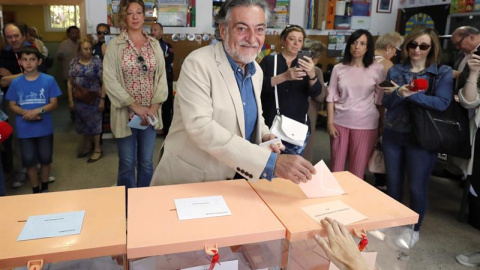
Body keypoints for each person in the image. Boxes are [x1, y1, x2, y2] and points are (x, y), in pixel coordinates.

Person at [150, 0, 316, 186]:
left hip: (237, 175)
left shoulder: (256, 71)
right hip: (193, 177)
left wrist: (265, 134)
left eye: (259, 29)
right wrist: (271, 162)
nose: (253, 39)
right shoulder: (198, 63)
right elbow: (201, 127)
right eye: (242, 28)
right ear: (223, 30)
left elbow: (255, 114)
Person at [382, 27, 453, 248]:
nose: (417, 49)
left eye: (423, 46)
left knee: (416, 186)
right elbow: (387, 103)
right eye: (413, 44)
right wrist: (398, 94)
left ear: (432, 48)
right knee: (392, 185)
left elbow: (441, 103)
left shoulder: (441, 72)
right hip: (394, 132)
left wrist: (408, 94)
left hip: (423, 137)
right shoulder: (395, 71)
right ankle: (393, 222)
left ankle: (414, 229)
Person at [103, 0, 168, 190]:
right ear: (124, 16)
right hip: (126, 113)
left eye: (139, 12)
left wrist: (153, 107)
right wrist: (134, 105)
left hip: (149, 114)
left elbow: (162, 77)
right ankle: (128, 199)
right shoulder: (115, 46)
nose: (135, 17)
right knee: (127, 162)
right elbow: (110, 80)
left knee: (147, 162)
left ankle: (143, 200)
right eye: (130, 13)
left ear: (144, 16)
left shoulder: (154, 45)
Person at [326, 29, 384, 179]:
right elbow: (331, 96)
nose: (357, 47)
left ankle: (353, 200)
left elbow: (380, 99)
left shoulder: (377, 69)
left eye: (362, 43)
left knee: (357, 171)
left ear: (368, 47)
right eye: (354, 42)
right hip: (339, 123)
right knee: (336, 168)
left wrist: (382, 124)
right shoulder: (339, 68)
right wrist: (330, 123)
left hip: (366, 124)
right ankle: (334, 200)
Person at [5, 46, 61, 193]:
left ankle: (45, 187)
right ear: (21, 62)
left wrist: (39, 110)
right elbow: (11, 104)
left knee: (45, 158)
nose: (28, 63)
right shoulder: (16, 82)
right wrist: (26, 113)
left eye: (32, 60)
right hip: (25, 129)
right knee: (29, 160)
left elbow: (54, 103)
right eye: (25, 60)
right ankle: (35, 190)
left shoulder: (49, 80)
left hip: (44, 128)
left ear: (39, 61)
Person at [260, 25, 323, 155]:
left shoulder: (306, 64)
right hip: (271, 124)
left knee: (291, 169)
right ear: (283, 41)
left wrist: (312, 74)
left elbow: (316, 93)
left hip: (298, 125)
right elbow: (259, 87)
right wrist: (284, 77)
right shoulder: (270, 61)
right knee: (269, 165)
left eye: (300, 40)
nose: (296, 44)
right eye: (292, 39)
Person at [451, 26, 480, 267]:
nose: (459, 48)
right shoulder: (474, 59)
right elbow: (470, 101)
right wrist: (472, 74)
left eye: (460, 42)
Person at [372, 32, 404, 191]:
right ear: (389, 47)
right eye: (396, 49)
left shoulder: (363, 60)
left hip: (362, 109)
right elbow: (387, 92)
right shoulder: (387, 65)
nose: (396, 53)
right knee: (381, 146)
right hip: (380, 108)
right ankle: (381, 180)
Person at [68, 39, 105, 163]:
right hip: (79, 98)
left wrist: (102, 100)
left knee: (95, 124)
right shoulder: (74, 62)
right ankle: (87, 146)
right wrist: (71, 100)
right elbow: (70, 82)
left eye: (90, 48)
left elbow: (104, 82)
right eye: (85, 48)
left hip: (94, 97)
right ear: (79, 50)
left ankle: (97, 149)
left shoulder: (97, 62)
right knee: (83, 122)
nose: (88, 51)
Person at [302, 39, 327, 162]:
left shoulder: (316, 70)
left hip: (309, 113)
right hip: (308, 112)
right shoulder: (316, 70)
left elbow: (320, 96)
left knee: (306, 148)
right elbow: (321, 97)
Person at [150, 22, 174, 135]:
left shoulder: (167, 46)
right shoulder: (147, 45)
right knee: (153, 105)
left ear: (161, 32)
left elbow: (168, 62)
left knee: (166, 106)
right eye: (152, 30)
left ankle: (167, 131)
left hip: (165, 79)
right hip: (151, 80)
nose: (153, 32)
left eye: (155, 30)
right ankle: (153, 129)